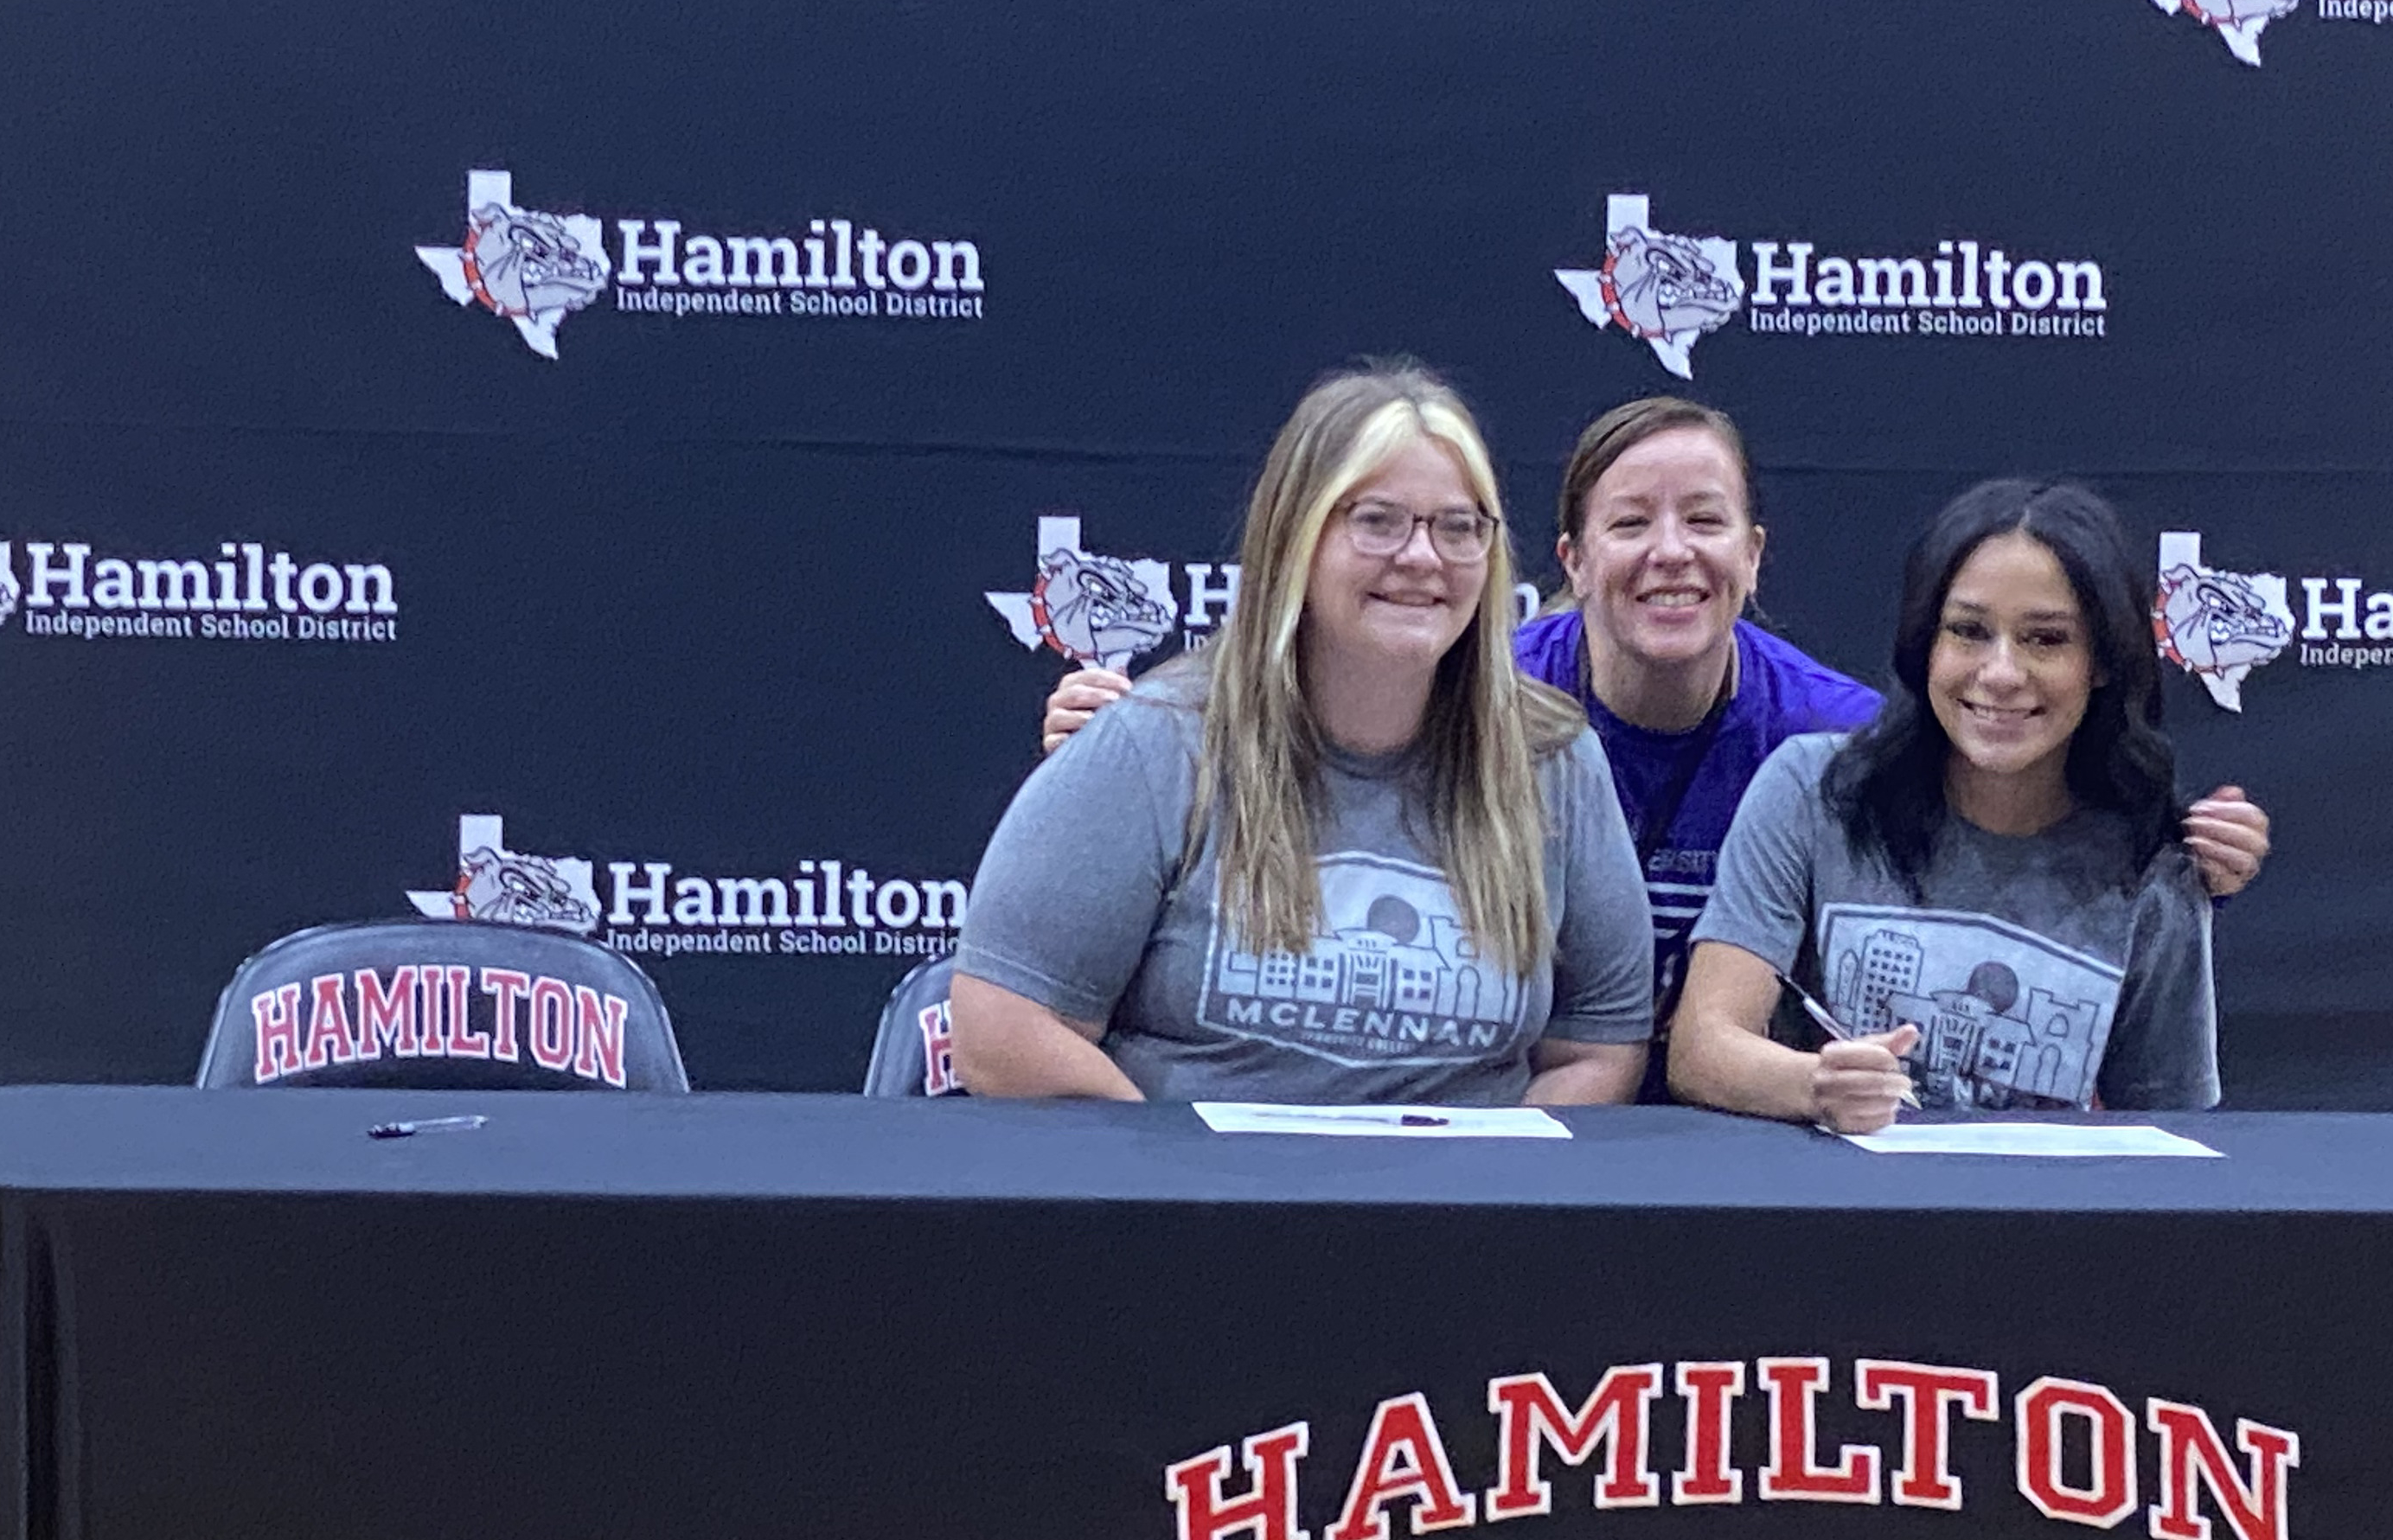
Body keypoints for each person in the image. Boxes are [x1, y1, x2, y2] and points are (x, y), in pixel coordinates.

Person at [1040, 397, 2269, 1084]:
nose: (1670, 552)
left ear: (1754, 556)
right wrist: (1129, 738)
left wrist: (2181, 838)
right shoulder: (1489, 714)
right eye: (1630, 522)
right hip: (1554, 1124)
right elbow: (1266, 723)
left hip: (1657, 1124)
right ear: (1567, 564)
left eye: (1705, 520)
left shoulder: (1840, 748)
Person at [953, 364, 1654, 1106]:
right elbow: (1002, 1030)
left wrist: (1482, 1201)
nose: (1422, 557)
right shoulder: (1157, 745)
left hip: (1456, 1215)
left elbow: (1597, 1046)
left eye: (1458, 528)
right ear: (1295, 538)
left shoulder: (1555, 760)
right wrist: (1195, 1194)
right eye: (1377, 520)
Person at [1668, 476, 2219, 1131]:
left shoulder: (2154, 860)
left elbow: (2176, 1130)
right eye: (1968, 631)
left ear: (2102, 661)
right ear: (1924, 643)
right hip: (1825, 1218)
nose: (2001, 673)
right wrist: (1817, 1085)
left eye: (2046, 640)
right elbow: (1701, 1049)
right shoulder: (1812, 790)